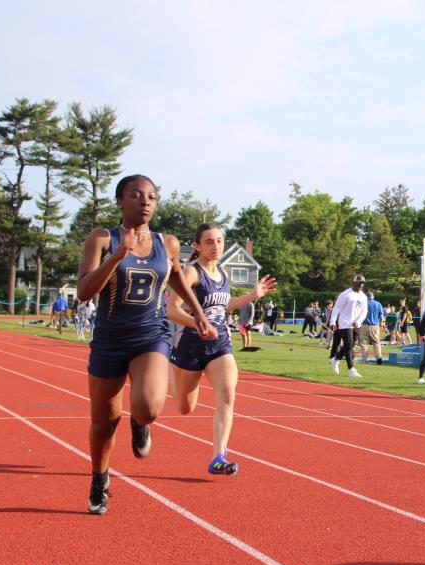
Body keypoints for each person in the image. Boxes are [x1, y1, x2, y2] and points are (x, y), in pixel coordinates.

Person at [77, 174, 214, 515]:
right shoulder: (102, 239)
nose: (145, 201)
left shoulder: (167, 243)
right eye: (136, 195)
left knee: (149, 408)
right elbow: (84, 291)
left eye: (151, 196)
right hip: (109, 340)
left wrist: (198, 314)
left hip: (150, 335)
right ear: (120, 201)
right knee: (104, 423)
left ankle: (140, 423)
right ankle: (99, 479)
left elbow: (178, 278)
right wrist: (117, 255)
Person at [168, 223, 276, 475]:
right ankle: (171, 369)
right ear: (196, 246)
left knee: (228, 395)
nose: (216, 246)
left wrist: (253, 295)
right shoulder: (191, 272)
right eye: (209, 242)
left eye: (219, 241)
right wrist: (199, 323)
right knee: (184, 407)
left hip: (219, 344)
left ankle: (218, 457)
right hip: (190, 345)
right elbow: (172, 310)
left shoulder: (223, 273)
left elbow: (223, 305)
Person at [328, 275, 368, 377]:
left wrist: (358, 321)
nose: (361, 285)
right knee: (349, 344)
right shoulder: (345, 294)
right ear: (353, 283)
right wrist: (332, 322)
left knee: (351, 344)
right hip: (345, 322)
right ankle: (351, 369)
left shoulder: (363, 296)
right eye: (359, 283)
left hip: (356, 324)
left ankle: (336, 358)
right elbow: (336, 308)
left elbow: (364, 311)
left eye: (362, 283)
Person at [360, 291, 385, 364]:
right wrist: (381, 323)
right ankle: (379, 357)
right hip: (375, 326)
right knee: (376, 342)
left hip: (365, 325)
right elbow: (381, 316)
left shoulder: (364, 303)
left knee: (364, 343)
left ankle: (364, 359)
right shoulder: (378, 304)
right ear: (373, 296)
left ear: (366, 297)